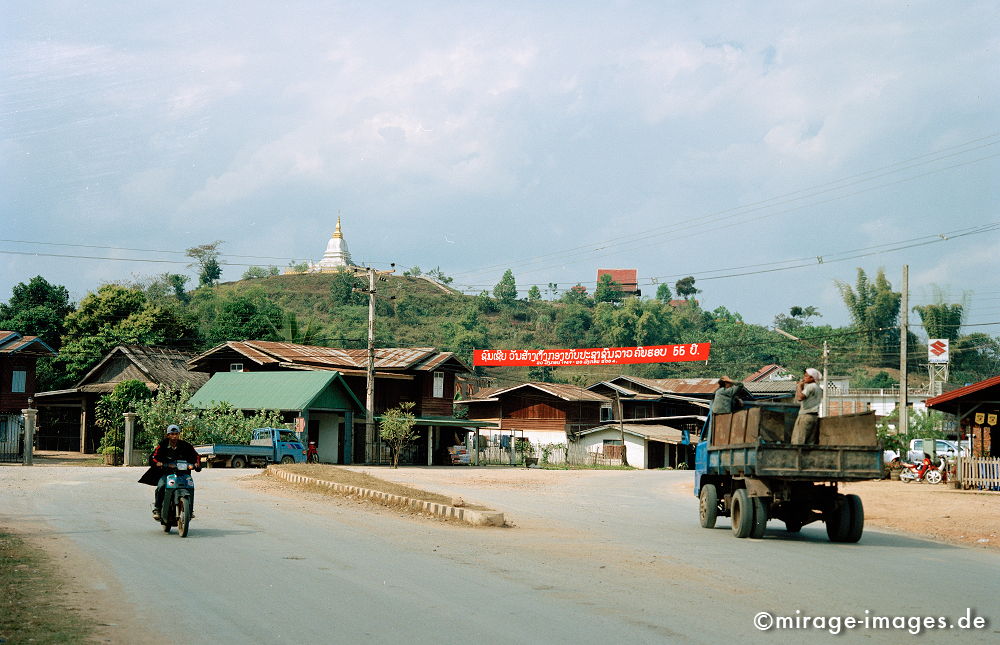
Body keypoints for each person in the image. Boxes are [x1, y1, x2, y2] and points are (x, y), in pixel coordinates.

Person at [138, 424, 200, 522]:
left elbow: (196, 456)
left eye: (176, 434)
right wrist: (159, 463)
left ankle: (190, 510)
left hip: (184, 474)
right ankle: (157, 509)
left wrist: (196, 464)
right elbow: (153, 457)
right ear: (168, 435)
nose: (174, 436)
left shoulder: (185, 446)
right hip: (167, 474)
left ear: (179, 434)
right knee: (162, 485)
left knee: (190, 485)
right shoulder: (162, 445)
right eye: (172, 434)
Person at [791, 368, 822, 444]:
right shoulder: (818, 388)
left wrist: (798, 386)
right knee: (809, 441)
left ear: (812, 378)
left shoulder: (810, 386)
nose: (804, 378)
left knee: (799, 441)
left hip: (806, 416)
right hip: (813, 417)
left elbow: (800, 397)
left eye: (806, 376)